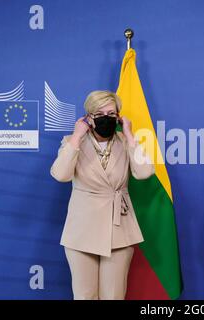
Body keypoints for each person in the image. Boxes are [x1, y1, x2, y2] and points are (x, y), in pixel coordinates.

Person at [50, 90, 155, 300]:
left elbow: (144, 173)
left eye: (111, 113)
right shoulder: (73, 142)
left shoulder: (125, 143)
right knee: (85, 296)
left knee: (114, 296)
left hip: (119, 228)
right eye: (99, 114)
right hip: (82, 230)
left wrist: (130, 135)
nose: (106, 118)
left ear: (118, 117)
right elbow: (60, 175)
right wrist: (77, 136)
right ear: (88, 118)